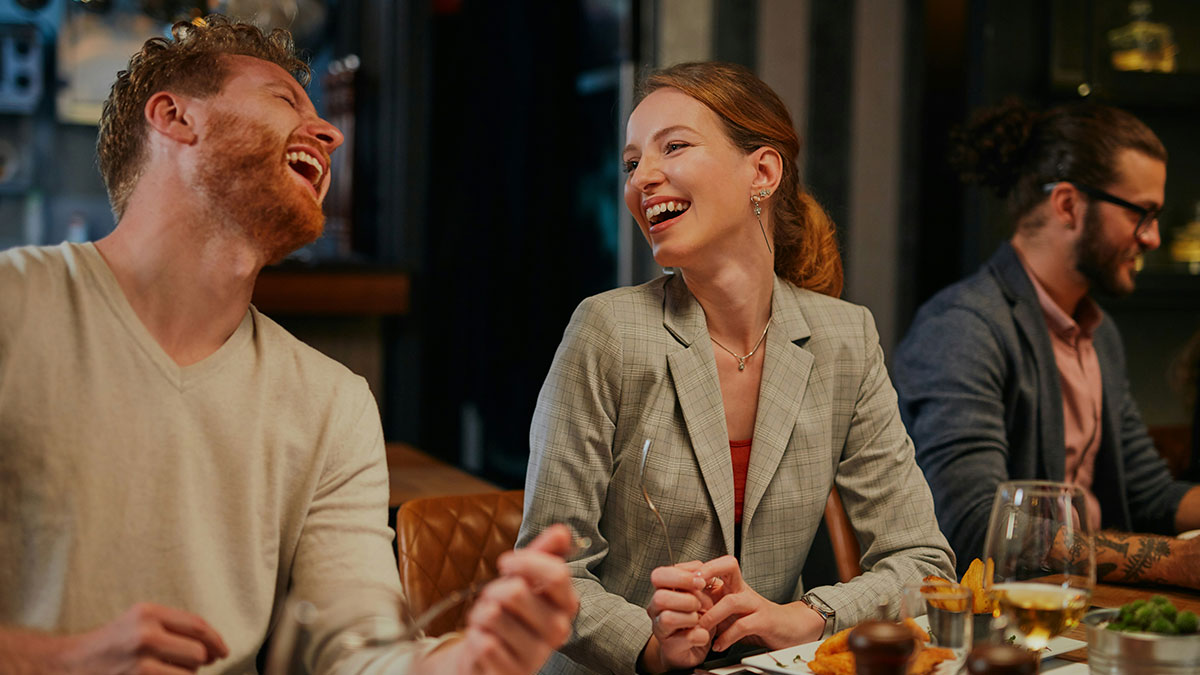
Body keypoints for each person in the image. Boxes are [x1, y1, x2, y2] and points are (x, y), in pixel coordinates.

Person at [0, 17, 577, 675]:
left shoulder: (332, 401)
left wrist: (467, 661)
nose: (330, 131)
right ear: (175, 117)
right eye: (283, 100)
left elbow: (355, 652)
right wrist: (62, 660)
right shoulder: (14, 307)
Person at [516, 61, 955, 675]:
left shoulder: (844, 339)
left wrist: (807, 617)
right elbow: (548, 570)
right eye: (632, 161)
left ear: (763, 172)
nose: (643, 177)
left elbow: (924, 564)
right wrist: (649, 647)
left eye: (674, 147)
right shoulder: (609, 331)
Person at [892, 99, 1200, 587]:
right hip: (1000, 620)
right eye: (1142, 214)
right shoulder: (962, 328)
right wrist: (1171, 561)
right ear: (1069, 206)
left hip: (1077, 602)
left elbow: (1147, 493)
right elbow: (974, 527)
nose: (1154, 238)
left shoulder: (1099, 334)